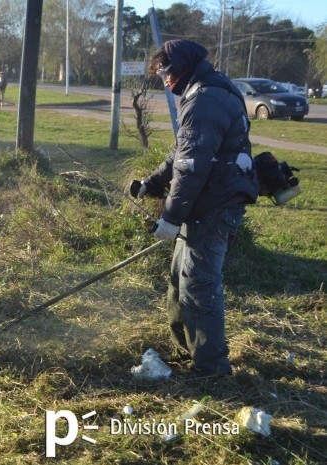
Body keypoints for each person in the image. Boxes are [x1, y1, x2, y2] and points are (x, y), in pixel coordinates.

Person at [132, 39, 259, 377]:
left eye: (166, 73)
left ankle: (211, 369)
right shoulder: (202, 91)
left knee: (198, 285)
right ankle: (189, 350)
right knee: (179, 279)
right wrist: (153, 183)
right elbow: (182, 152)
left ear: (182, 68)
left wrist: (170, 219)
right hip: (203, 203)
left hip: (215, 206)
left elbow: (191, 167)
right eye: (159, 75)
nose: (164, 81)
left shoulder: (204, 98)